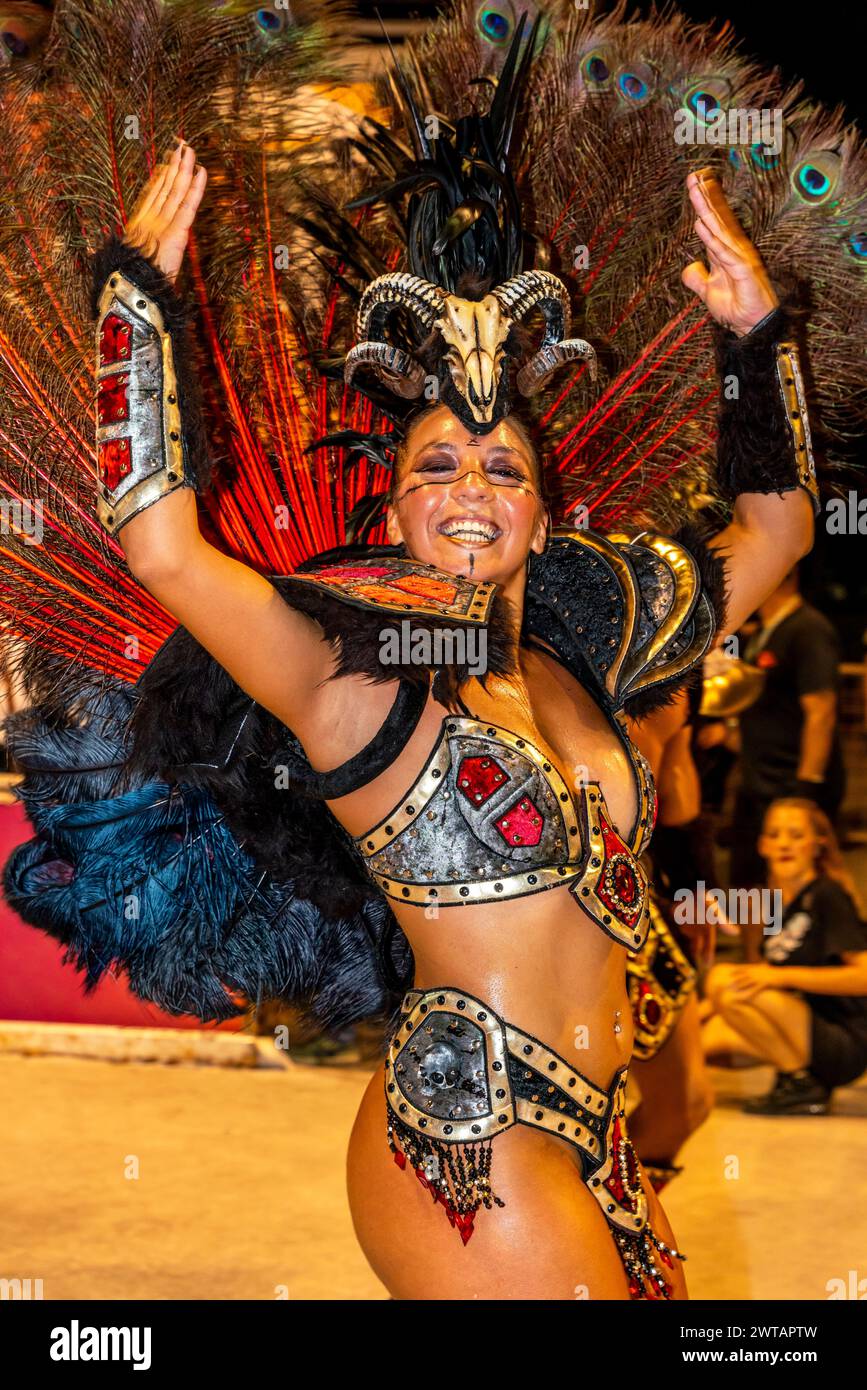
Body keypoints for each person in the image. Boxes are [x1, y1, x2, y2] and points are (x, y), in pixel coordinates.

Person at [6, 10, 853, 1303]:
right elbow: (170, 552)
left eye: (502, 463)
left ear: (542, 504)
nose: (470, 485)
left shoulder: (591, 648)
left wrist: (749, 345)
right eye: (434, 466)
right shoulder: (356, 688)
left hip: (605, 1134)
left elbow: (776, 527)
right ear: (391, 509)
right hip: (465, 1139)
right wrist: (139, 299)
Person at [703, 799, 867, 1114]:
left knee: (722, 979)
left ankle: (799, 1080)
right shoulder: (780, 906)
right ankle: (798, 1077)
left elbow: (862, 976)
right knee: (703, 1040)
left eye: (795, 835)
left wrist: (781, 976)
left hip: (845, 1039)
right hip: (804, 1026)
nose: (784, 844)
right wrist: (687, 1017)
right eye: (775, 835)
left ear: (818, 844)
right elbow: (762, 973)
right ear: (762, 846)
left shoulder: (827, 895)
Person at [727, 566, 845, 898]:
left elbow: (821, 711)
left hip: (791, 782)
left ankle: (812, 949)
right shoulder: (764, 630)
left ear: (782, 577)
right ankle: (758, 953)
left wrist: (806, 790)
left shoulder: (809, 630)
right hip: (758, 778)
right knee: (748, 881)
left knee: (800, 882)